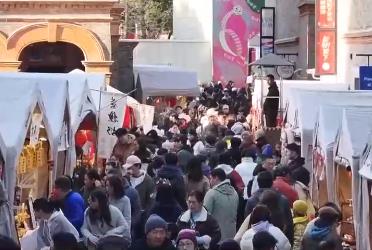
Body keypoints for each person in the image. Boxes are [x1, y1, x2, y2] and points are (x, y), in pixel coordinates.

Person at [204, 168, 238, 241]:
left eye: (210, 178)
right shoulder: (235, 193)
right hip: (232, 235)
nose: (210, 181)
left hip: (216, 236)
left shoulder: (211, 193)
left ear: (216, 178)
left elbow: (205, 215)